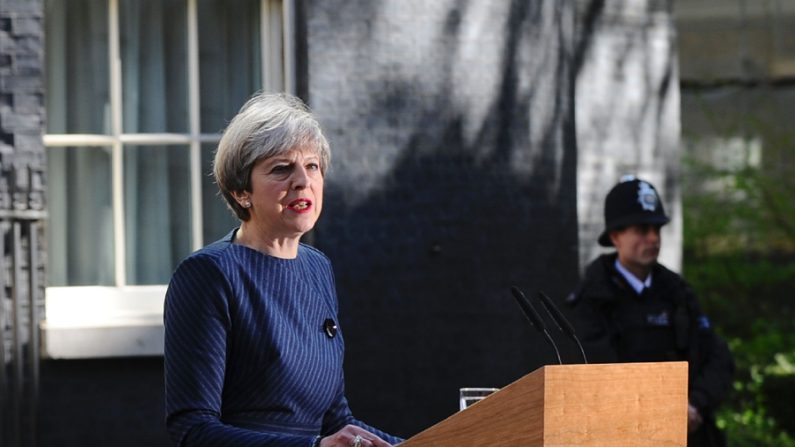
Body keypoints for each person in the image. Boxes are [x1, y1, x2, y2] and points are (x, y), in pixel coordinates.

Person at [164, 92, 402, 447]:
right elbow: (193, 430)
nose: (302, 181)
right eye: (281, 168)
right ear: (241, 191)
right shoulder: (209, 275)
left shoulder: (317, 268)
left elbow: (335, 418)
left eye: (312, 166)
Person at [567, 176, 734, 447]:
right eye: (642, 230)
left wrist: (695, 405)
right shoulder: (594, 298)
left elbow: (717, 357)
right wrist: (659, 415)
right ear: (615, 236)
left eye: (657, 229)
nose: (653, 238)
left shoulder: (677, 292)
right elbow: (598, 373)